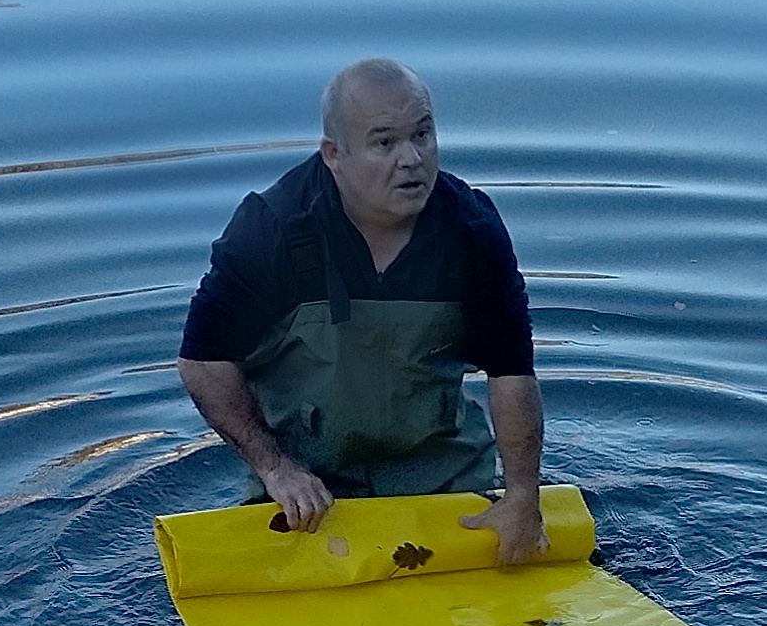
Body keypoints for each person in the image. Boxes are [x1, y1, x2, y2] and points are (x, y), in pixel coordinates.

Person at [177, 58, 551, 564]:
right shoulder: (273, 229)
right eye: (385, 143)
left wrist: (523, 496)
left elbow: (511, 371)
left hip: (443, 479)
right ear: (334, 154)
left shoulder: (473, 233)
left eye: (423, 135)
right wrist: (276, 469)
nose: (412, 159)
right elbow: (202, 359)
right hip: (310, 491)